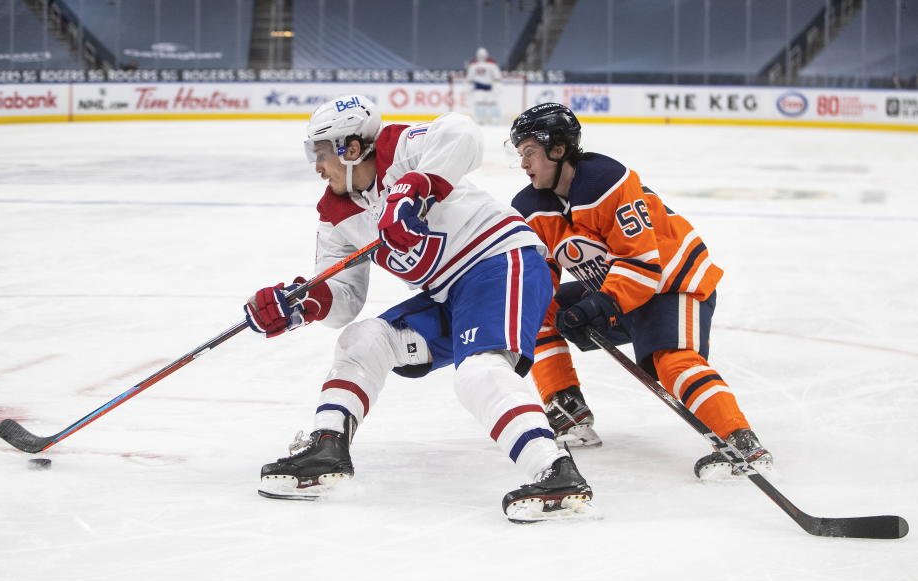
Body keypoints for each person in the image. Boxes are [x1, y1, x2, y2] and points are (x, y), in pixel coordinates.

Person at [243, 94, 594, 521]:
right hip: (448, 293)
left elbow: (461, 132)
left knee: (479, 371)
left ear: (350, 149)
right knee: (364, 339)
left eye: (320, 153)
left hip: (502, 260)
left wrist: (415, 189)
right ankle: (327, 448)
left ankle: (553, 471)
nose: (316, 166)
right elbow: (343, 301)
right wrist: (302, 304)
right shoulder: (335, 215)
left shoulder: (401, 149)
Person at [506, 103, 774, 480]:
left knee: (672, 360)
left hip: (673, 284)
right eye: (519, 154)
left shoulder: (608, 181)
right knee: (536, 308)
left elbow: (643, 265)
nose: (523, 164)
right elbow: (540, 275)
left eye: (529, 152)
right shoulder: (531, 207)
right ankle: (567, 407)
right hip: (619, 291)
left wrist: (599, 303)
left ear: (558, 148)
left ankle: (742, 442)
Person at [465, 47, 502, 125]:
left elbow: (497, 77)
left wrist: (496, 86)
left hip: (487, 88)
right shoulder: (489, 65)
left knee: (491, 104)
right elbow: (497, 77)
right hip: (481, 88)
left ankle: (494, 119)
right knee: (481, 104)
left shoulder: (476, 66)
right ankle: (481, 119)